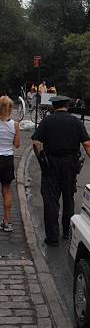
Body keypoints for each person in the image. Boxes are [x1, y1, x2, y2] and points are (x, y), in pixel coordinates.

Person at [32, 95, 90, 247]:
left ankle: (52, 238)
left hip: (51, 164)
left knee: (51, 200)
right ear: (67, 106)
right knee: (68, 198)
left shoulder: (47, 121)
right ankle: (68, 232)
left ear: (53, 107)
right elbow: (87, 144)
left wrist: (42, 160)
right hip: (70, 164)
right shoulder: (76, 122)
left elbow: (36, 142)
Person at [0, 96, 20, 232]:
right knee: (6, 191)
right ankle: (7, 222)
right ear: (11, 108)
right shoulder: (15, 125)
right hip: (7, 160)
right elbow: (17, 145)